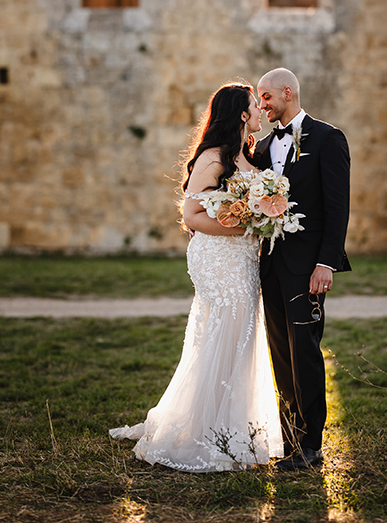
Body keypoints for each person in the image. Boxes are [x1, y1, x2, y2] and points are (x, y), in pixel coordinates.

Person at [109, 82, 283, 471]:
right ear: (242, 113)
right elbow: (192, 216)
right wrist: (248, 227)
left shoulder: (248, 156)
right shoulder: (213, 156)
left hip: (244, 260)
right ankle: (205, 431)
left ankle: (232, 428)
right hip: (217, 258)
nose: (260, 112)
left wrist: (261, 218)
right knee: (223, 333)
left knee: (241, 336)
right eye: (256, 106)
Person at [254, 68, 350, 471]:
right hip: (270, 267)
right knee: (280, 354)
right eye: (260, 99)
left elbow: (336, 206)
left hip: (307, 268)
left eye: (266, 97)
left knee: (305, 352)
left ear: (287, 92)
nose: (263, 106)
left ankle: (311, 444)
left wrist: (326, 263)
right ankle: (290, 439)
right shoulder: (260, 149)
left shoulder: (328, 139)